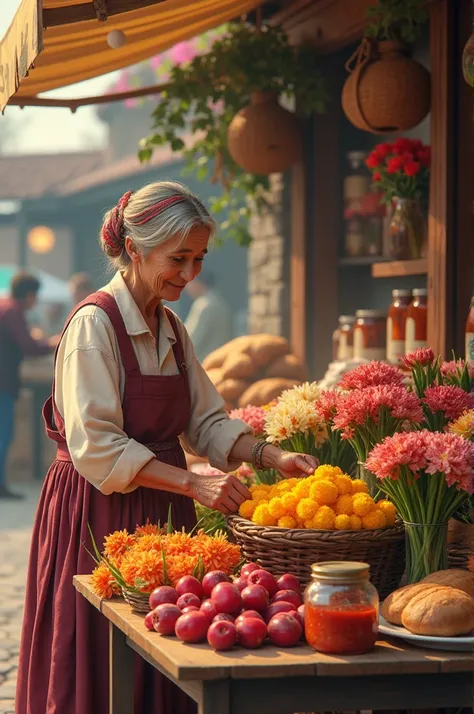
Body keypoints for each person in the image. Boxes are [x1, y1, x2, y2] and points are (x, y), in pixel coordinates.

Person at [16, 181, 318, 714]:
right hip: (98, 511)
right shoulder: (94, 325)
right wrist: (194, 483)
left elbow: (204, 419)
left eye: (198, 259)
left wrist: (272, 457)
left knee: (166, 649)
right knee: (97, 652)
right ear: (134, 248)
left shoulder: (172, 326)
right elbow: (97, 446)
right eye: (178, 258)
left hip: (165, 508)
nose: (190, 274)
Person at [0, 273, 56, 500]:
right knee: (4, 436)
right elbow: (28, 346)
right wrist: (52, 343)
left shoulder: (5, 307)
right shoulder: (12, 312)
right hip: (3, 385)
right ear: (30, 294)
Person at [184, 273, 231, 362]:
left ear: (198, 282)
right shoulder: (217, 301)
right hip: (219, 360)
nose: (187, 289)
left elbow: (191, 340)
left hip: (205, 364)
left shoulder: (204, 305)